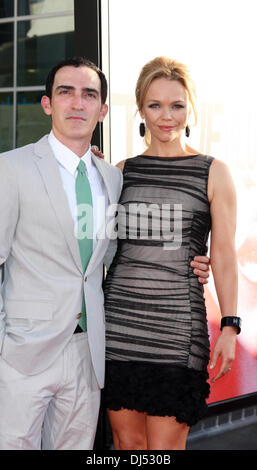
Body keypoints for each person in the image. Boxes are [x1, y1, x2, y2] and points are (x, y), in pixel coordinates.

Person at [0, 55, 210, 451]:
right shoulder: (11, 169)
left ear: (103, 109)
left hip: (91, 352)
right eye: (66, 93)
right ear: (48, 104)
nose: (77, 104)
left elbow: (120, 252)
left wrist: (192, 259)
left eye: (89, 95)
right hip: (21, 353)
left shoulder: (112, 177)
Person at [103, 56, 241, 450]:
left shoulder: (213, 171)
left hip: (178, 329)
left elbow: (225, 255)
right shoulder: (120, 171)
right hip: (120, 326)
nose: (167, 116)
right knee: (127, 444)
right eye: (155, 105)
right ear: (141, 110)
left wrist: (230, 326)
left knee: (164, 448)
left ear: (190, 108)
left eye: (177, 105)